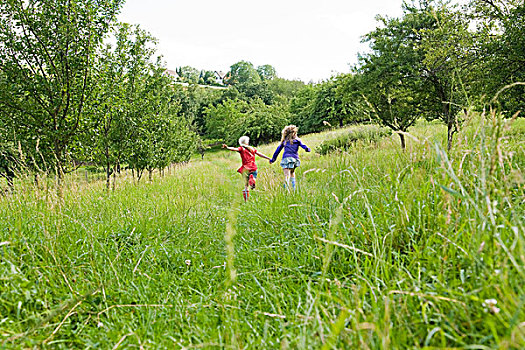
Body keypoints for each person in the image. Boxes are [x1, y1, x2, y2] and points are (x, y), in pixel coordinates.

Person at [222, 136, 271, 201]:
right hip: (253, 168)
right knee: (254, 178)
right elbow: (260, 154)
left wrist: (227, 147)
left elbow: (234, 149)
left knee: (246, 186)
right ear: (247, 142)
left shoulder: (241, 149)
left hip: (245, 169)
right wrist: (268, 158)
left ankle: (246, 200)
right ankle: (252, 179)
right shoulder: (252, 149)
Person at [270, 125, 311, 190]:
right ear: (294, 133)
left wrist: (273, 159)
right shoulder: (298, 140)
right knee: (292, 173)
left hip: (286, 159)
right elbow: (304, 146)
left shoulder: (284, 141)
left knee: (287, 175)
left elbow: (277, 151)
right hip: (295, 159)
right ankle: (293, 189)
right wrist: (307, 149)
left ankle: (287, 191)